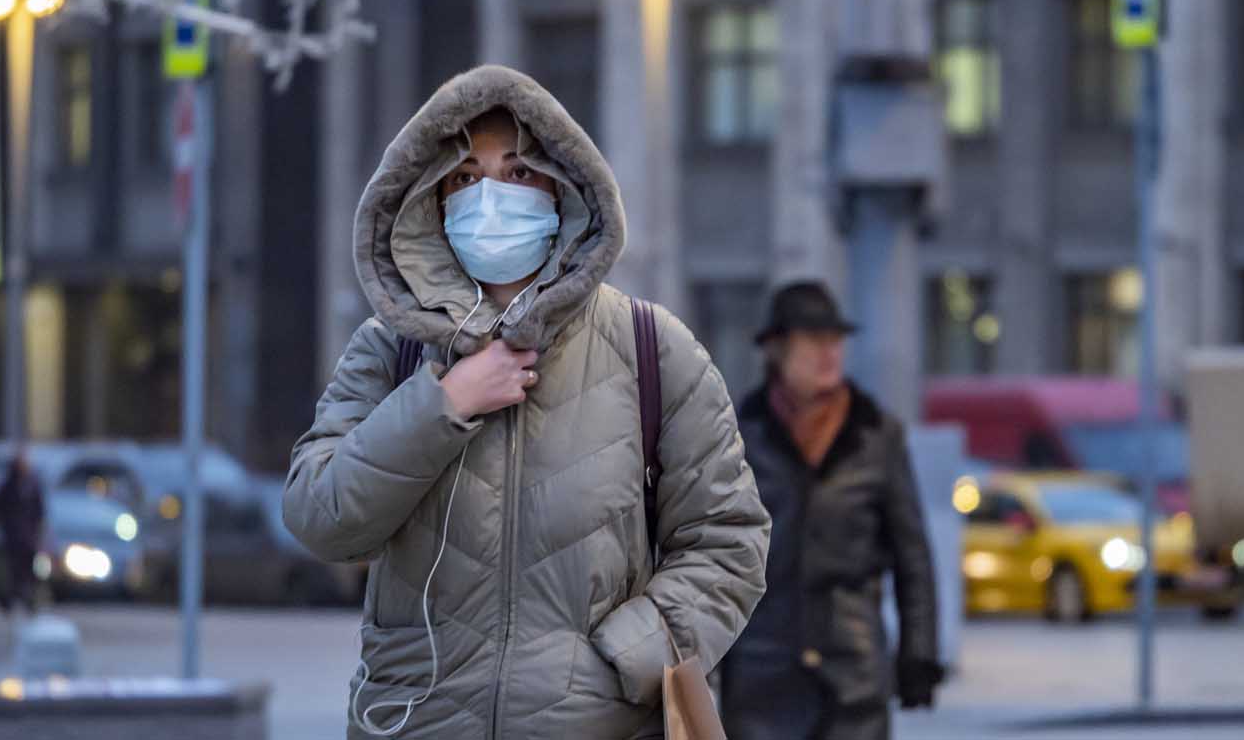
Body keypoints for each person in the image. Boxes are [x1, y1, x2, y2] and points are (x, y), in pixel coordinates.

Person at [283, 65, 770, 739]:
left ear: (563, 191)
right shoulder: (388, 351)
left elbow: (729, 540)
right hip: (416, 722)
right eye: (464, 178)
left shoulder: (651, 348)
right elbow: (320, 517)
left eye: (516, 174)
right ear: (431, 201)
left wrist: (625, 660)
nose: (489, 198)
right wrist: (441, 404)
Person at [720, 281, 941, 740]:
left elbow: (912, 556)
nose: (829, 353)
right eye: (813, 341)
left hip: (853, 677)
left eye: (835, 341)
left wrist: (919, 651)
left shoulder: (876, 436)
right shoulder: (738, 436)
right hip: (762, 675)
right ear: (777, 349)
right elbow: (709, 555)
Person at [0, 448, 47, 613]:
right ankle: (14, 599)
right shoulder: (10, 484)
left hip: (26, 535)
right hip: (14, 534)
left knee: (27, 569)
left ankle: (26, 598)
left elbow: (39, 510)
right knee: (14, 569)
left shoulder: (31, 485)